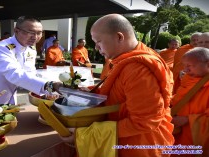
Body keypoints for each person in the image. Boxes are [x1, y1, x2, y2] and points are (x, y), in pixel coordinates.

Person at [60, 14, 174, 157]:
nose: (96, 48)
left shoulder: (138, 69)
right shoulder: (127, 57)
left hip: (137, 145)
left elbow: (144, 122)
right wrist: (88, 92)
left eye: (98, 42)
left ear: (119, 37)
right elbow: (118, 91)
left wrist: (86, 134)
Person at [0, 16, 62, 105]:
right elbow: (15, 74)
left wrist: (49, 89)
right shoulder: (1, 49)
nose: (35, 37)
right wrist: (50, 85)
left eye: (39, 33)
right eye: (30, 32)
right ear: (16, 31)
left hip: (7, 98)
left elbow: (30, 73)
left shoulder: (30, 50)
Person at [171, 47, 209, 156]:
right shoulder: (189, 79)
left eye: (190, 66)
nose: (185, 70)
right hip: (178, 134)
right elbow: (180, 99)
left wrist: (188, 120)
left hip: (196, 138)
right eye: (184, 66)